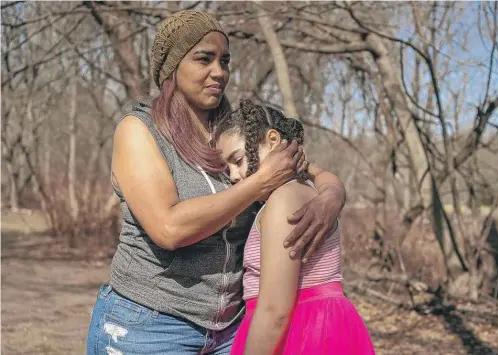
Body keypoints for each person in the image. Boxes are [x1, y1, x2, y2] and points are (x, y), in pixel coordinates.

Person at [86, 10, 347, 354]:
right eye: (204, 59)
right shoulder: (139, 130)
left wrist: (330, 198)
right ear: (172, 68)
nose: (219, 72)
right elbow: (169, 228)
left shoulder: (233, 131)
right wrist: (258, 184)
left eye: (225, 60)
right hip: (150, 325)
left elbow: (308, 170)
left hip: (231, 329)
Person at [215, 100, 375, 355]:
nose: (234, 175)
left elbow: (275, 311)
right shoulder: (306, 191)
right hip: (325, 326)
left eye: (238, 160)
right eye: (227, 169)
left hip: (299, 331)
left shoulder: (283, 200)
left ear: (272, 140)